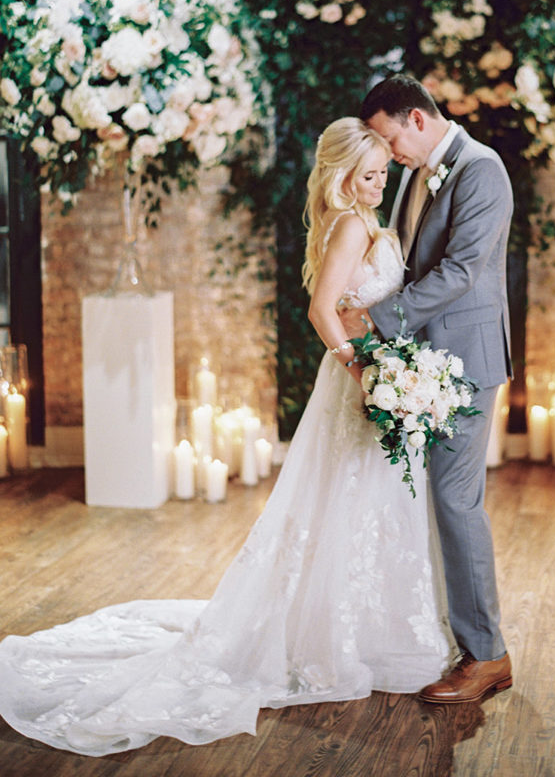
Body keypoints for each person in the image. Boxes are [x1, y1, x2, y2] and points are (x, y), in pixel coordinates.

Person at [0, 117, 456, 757]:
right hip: (360, 377)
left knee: (365, 503)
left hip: (373, 373)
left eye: (384, 173)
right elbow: (322, 310)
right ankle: (345, 638)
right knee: (357, 500)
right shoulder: (352, 223)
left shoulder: (356, 220)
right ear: (342, 175)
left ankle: (362, 628)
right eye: (370, 175)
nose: (380, 185)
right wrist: (364, 369)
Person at [340, 73, 514, 704]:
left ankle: (487, 655)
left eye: (389, 139)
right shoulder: (417, 171)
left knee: (455, 503)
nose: (387, 156)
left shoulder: (481, 170)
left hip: (466, 361)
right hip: (423, 361)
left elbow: (464, 270)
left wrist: (378, 319)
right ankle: (441, 637)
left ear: (416, 118)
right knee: (429, 503)